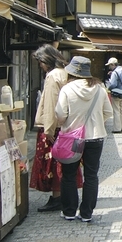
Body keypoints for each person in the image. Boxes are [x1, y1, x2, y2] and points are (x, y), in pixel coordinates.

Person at [54, 56, 114, 222]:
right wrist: (96, 123)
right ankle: (86, 213)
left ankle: (69, 211)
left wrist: (69, 123)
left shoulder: (67, 89)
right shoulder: (100, 89)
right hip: (95, 137)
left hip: (72, 138)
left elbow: (60, 114)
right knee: (91, 175)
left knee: (69, 174)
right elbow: (108, 112)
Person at [30, 45, 80, 212]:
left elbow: (52, 104)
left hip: (55, 126)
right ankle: (65, 196)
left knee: (52, 163)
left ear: (46, 60)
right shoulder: (66, 73)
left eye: (40, 62)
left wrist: (49, 129)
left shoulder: (53, 75)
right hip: (68, 125)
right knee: (66, 163)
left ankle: (57, 197)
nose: (40, 66)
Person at [105, 57, 122, 133]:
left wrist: (108, 86)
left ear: (113, 64)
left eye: (110, 65)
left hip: (117, 93)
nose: (109, 67)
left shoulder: (115, 73)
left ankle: (117, 128)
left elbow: (113, 84)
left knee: (116, 111)